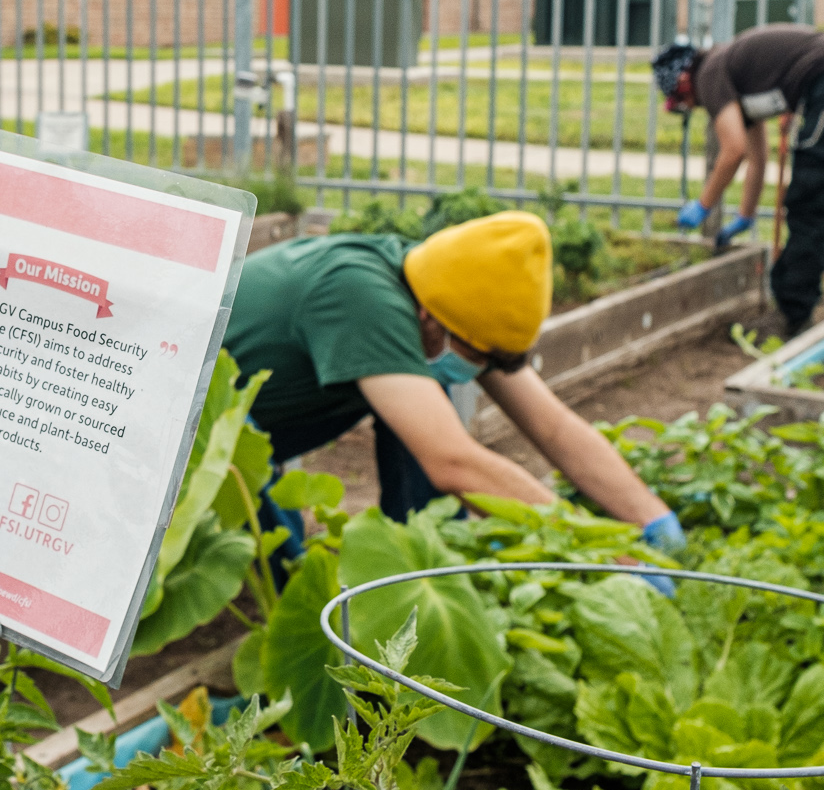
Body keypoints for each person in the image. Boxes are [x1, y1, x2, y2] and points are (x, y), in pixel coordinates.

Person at [222, 210, 682, 557]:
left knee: (425, 403)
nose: (479, 369)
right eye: (475, 354)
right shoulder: (360, 298)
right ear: (429, 316)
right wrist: (598, 552)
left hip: (262, 423)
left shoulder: (436, 285)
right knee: (280, 564)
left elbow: (553, 427)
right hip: (191, 433)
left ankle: (426, 555)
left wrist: (651, 517)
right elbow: (452, 462)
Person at [654, 25, 824, 336]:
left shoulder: (709, 74)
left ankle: (791, 317)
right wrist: (745, 215)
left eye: (682, 102)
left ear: (683, 83)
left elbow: (732, 151)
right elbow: (757, 157)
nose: (692, 108)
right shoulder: (735, 75)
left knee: (809, 206)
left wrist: (703, 205)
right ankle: (798, 308)